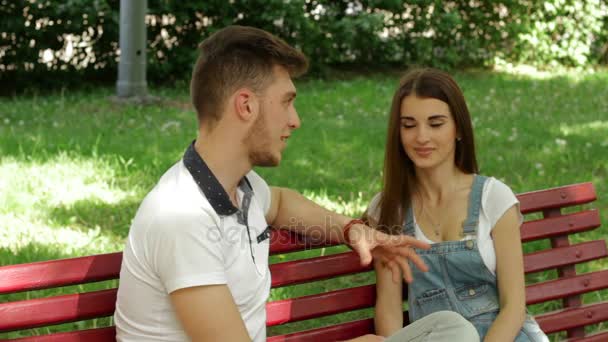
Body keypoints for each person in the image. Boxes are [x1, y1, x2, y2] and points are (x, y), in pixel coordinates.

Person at [113, 26, 478, 342]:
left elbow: (284, 203)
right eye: (287, 102)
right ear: (246, 106)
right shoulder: (182, 217)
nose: (295, 120)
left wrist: (352, 230)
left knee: (450, 329)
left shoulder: (242, 189)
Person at [365, 68, 549, 341]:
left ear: (459, 128)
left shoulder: (493, 198)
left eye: (436, 123)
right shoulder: (389, 208)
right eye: (409, 125)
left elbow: (513, 307)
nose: (421, 137)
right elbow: (390, 311)